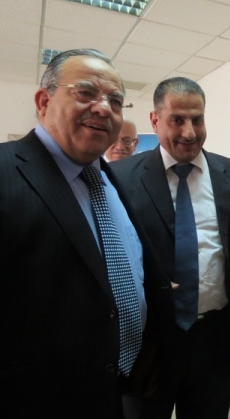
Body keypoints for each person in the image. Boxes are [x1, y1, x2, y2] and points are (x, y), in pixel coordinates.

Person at [0, 49, 173, 418]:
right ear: (43, 101)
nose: (103, 108)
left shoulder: (106, 177)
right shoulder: (6, 172)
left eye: (115, 101)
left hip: (114, 389)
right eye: (85, 93)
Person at [110, 77, 230, 419]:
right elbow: (111, 256)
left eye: (197, 119)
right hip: (148, 339)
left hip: (214, 338)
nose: (190, 132)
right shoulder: (119, 177)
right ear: (155, 120)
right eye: (177, 120)